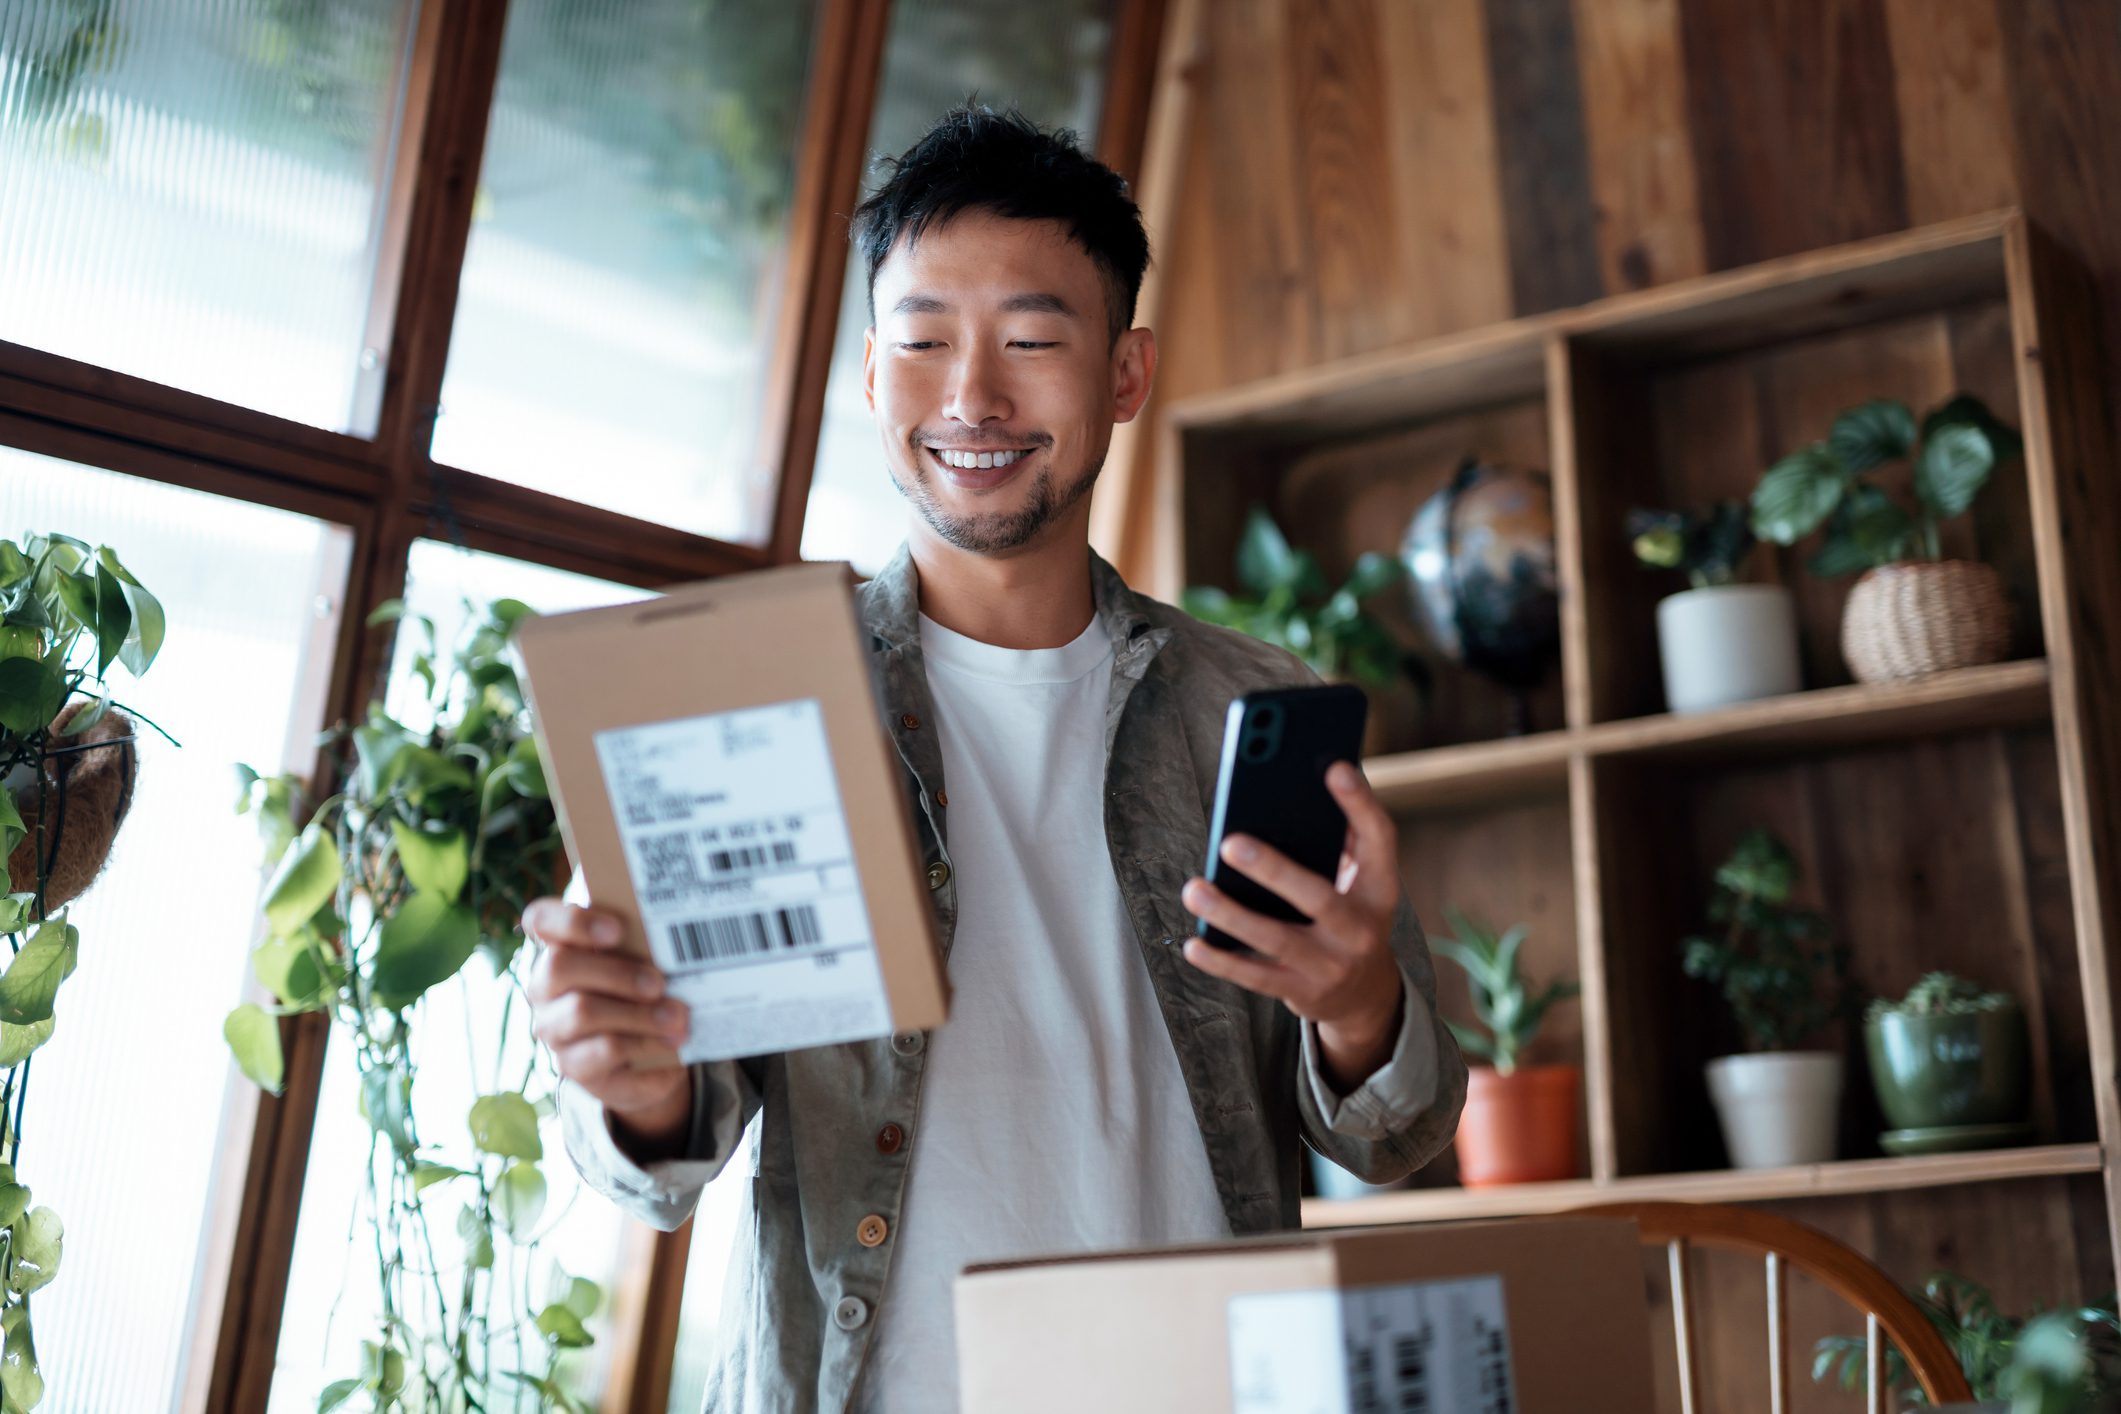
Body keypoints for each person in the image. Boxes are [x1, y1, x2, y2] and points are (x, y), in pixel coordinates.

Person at [524, 105, 1465, 1414]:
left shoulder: (1252, 705)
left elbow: (1398, 1131)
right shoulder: (743, 705)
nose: (971, 395)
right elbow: (653, 1161)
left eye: (1031, 340)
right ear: (867, 373)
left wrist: (1360, 1006)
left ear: (1125, 375)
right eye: (921, 341)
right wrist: (633, 1086)